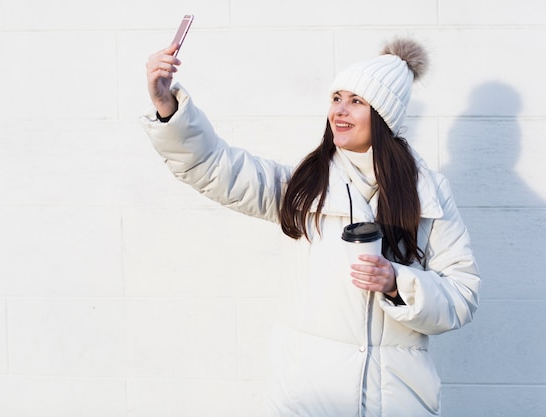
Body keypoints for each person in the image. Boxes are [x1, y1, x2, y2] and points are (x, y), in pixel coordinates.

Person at [142, 36, 481, 417]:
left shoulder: (428, 194)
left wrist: (396, 282)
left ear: (384, 114)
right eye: (337, 98)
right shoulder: (305, 187)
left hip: (397, 400)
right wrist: (168, 107)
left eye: (356, 101)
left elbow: (462, 294)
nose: (340, 111)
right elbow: (217, 167)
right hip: (308, 399)